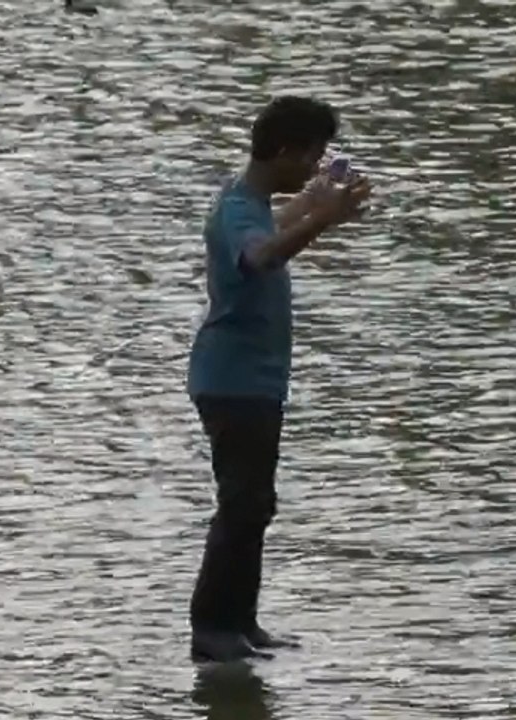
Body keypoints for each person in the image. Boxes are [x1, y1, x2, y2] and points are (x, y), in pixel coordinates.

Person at [186, 96, 373, 663]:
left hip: (253, 381)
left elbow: (269, 229)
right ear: (287, 151)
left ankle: (241, 622)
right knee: (241, 505)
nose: (317, 164)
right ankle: (212, 630)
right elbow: (260, 256)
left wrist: (313, 204)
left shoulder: (249, 199)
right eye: (312, 156)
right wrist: (321, 218)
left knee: (255, 505)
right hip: (235, 380)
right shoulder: (243, 209)